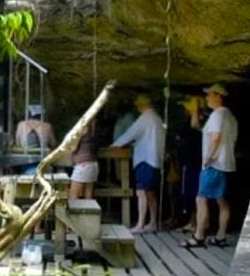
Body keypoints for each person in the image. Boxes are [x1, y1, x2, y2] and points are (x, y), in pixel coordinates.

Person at [183, 84, 238, 248]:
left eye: (209, 95)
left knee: (201, 199)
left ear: (218, 96)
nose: (207, 97)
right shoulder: (229, 116)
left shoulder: (217, 115)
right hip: (226, 164)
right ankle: (220, 236)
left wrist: (208, 157)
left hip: (214, 164)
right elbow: (202, 130)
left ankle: (198, 237)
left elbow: (215, 137)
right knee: (222, 201)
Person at [111, 94, 164, 234]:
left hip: (145, 159)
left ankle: (140, 224)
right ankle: (153, 222)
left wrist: (115, 145)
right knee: (150, 192)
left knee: (141, 192)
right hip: (155, 160)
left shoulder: (145, 119)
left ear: (141, 105)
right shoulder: (157, 119)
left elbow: (130, 134)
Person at [175, 95, 205, 232]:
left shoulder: (201, 121)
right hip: (189, 161)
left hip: (195, 162)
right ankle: (191, 222)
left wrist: (196, 110)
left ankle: (198, 224)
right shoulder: (188, 122)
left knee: (195, 193)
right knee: (189, 194)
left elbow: (195, 129)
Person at [14, 104, 58, 174]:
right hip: (43, 160)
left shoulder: (21, 124)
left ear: (28, 114)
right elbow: (53, 143)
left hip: (26, 160)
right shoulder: (47, 126)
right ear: (41, 115)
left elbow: (18, 143)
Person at [69, 123, 98, 200]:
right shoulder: (91, 134)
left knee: (73, 196)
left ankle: (73, 212)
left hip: (83, 165)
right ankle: (88, 212)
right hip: (93, 164)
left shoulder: (80, 132)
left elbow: (73, 148)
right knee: (88, 196)